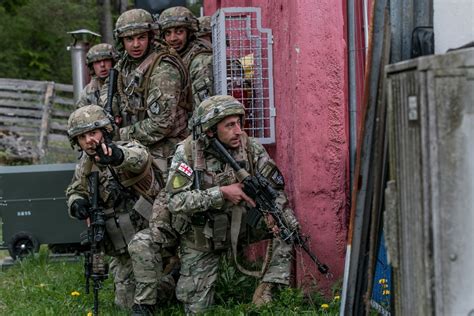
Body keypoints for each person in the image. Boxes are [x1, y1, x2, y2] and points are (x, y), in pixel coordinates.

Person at [166, 95, 298, 314]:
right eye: (229, 125)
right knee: (197, 310)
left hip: (241, 226)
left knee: (287, 225)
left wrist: (271, 213)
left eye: (239, 123)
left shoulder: (249, 147)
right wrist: (221, 193)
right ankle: (172, 278)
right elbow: (175, 201)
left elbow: (275, 190)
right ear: (210, 130)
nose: (238, 130)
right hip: (203, 238)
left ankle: (267, 289)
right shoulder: (187, 153)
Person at [99, 8, 191, 314]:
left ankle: (172, 275)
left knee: (159, 220)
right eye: (129, 39)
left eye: (140, 37)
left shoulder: (163, 68)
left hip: (166, 153)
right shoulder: (124, 66)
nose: (135, 44)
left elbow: (161, 124)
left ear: (151, 36)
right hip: (137, 152)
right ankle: (135, 273)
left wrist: (120, 134)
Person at [65, 105, 176, 315]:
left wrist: (116, 157)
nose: (89, 140)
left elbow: (139, 158)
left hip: (154, 232)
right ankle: (166, 280)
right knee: (124, 302)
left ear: (105, 131)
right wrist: (77, 202)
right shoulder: (85, 166)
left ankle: (150, 301)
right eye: (81, 137)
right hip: (123, 245)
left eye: (93, 133)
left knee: (141, 252)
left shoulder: (128, 148)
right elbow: (75, 190)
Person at [158, 7, 214, 111]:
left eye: (179, 32)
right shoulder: (170, 57)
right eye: (168, 33)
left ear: (189, 33)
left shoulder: (200, 62)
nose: (172, 38)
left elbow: (204, 109)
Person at [76, 43, 118, 108]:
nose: (102, 65)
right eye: (97, 61)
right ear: (92, 66)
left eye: (106, 60)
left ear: (113, 62)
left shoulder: (123, 83)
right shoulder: (88, 92)